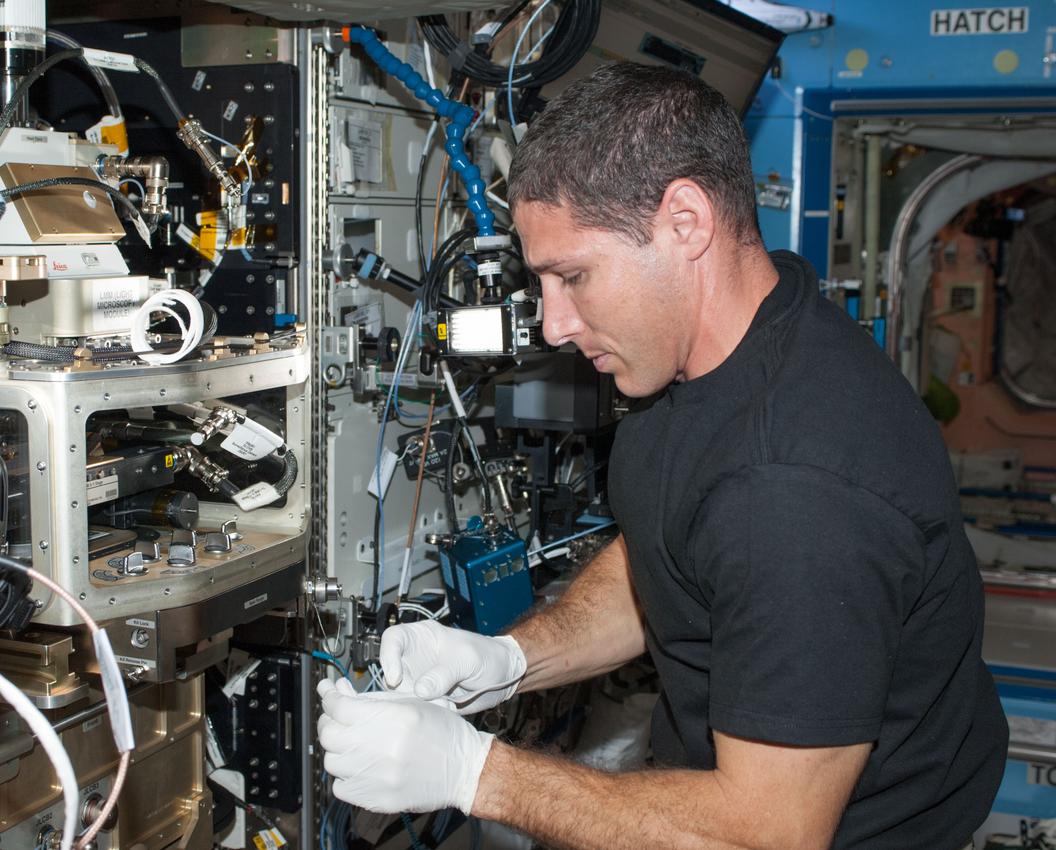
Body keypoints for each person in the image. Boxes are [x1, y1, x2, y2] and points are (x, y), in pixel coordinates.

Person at [317, 62, 1007, 850]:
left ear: (685, 222)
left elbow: (768, 836)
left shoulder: (795, 490)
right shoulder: (713, 353)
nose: (552, 326)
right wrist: (507, 658)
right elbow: (672, 551)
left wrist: (476, 774)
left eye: (572, 276)